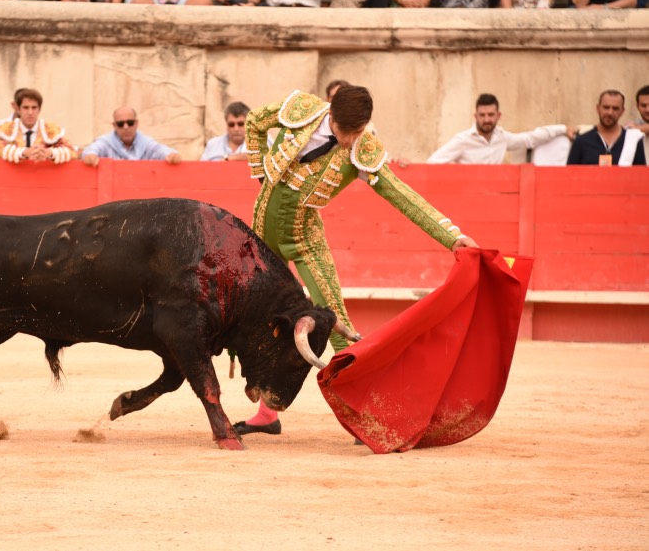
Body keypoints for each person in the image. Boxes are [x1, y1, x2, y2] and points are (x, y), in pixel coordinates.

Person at [233, 85, 479, 436]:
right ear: (329, 115)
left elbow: (402, 195)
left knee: (336, 323)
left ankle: (365, 415)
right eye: (345, 132)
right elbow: (256, 120)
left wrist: (451, 235)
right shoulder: (302, 109)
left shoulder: (363, 149)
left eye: (358, 132)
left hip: (305, 239)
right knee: (266, 323)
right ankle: (267, 413)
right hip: (262, 232)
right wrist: (259, 170)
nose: (350, 140)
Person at [427, 93, 575, 164]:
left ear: (498, 116)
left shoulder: (502, 137)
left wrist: (562, 129)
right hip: (470, 196)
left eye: (491, 115)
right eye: (482, 115)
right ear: (475, 116)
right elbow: (434, 162)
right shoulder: (463, 140)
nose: (486, 120)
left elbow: (530, 139)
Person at [0, 88, 77, 164]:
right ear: (18, 109)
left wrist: (50, 153)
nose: (30, 112)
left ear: (39, 109)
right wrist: (24, 152)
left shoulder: (51, 130)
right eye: (26, 108)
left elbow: (72, 152)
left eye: (34, 108)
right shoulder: (6, 130)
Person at [567, 89, 646, 166]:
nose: (610, 112)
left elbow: (641, 175)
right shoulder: (581, 141)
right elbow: (569, 175)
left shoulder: (633, 140)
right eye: (606, 107)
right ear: (598, 108)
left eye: (615, 108)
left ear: (622, 111)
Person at [81, 106, 182, 165]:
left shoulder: (145, 143)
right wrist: (90, 156)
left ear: (136, 123)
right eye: (120, 124)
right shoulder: (106, 142)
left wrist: (172, 155)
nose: (126, 127)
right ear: (114, 126)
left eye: (130, 122)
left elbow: (161, 150)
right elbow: (91, 151)